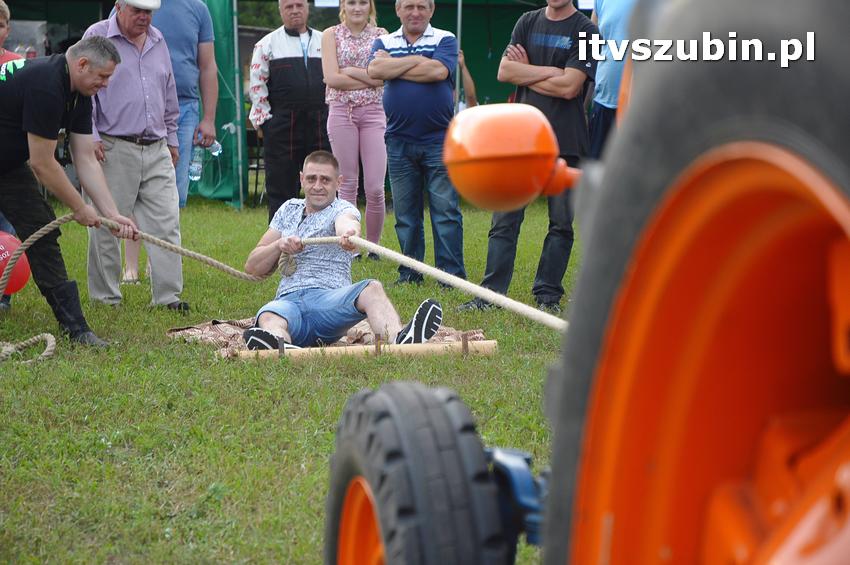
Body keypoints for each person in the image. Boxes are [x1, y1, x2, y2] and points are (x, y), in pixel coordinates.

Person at [459, 0, 597, 314]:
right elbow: (505, 71)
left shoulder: (589, 32)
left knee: (561, 224)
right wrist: (553, 71)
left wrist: (529, 72)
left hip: (567, 141)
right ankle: (491, 296)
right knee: (504, 220)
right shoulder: (527, 21)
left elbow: (570, 88)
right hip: (522, 139)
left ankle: (547, 297)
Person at [0, 36, 139, 343]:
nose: (105, 84)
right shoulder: (46, 84)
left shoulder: (80, 93)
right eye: (102, 77)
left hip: (7, 166)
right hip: (14, 162)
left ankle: (76, 328)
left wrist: (112, 214)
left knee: (43, 231)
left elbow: (85, 158)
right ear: (82, 64)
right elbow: (42, 163)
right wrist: (80, 207)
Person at [242, 150, 443, 351]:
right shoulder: (288, 209)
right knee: (268, 315)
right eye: (311, 179)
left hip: (329, 304)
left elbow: (347, 223)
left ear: (338, 183)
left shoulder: (342, 209)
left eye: (325, 180)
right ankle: (281, 345)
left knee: (372, 288)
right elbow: (252, 266)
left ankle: (400, 341)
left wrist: (349, 234)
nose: (318, 186)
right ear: (302, 179)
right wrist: (279, 245)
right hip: (288, 304)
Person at [84, 0, 188, 312]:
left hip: (156, 146)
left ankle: (168, 297)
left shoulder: (158, 39)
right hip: (112, 146)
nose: (144, 17)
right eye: (137, 10)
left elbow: (169, 90)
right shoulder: (97, 35)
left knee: (167, 223)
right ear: (118, 7)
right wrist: (89, 135)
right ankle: (106, 298)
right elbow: (81, 89)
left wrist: (172, 137)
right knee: (106, 223)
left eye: (149, 12)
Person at [367, 0, 466, 285]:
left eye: (422, 7)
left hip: (440, 140)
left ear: (431, 10)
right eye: (409, 6)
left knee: (445, 213)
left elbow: (438, 72)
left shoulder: (445, 38)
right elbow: (375, 72)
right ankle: (410, 273)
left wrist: (392, 65)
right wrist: (419, 60)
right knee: (406, 215)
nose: (415, 12)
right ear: (398, 9)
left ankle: (451, 276)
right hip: (398, 141)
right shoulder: (383, 40)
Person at [121, 0, 219, 284]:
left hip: (185, 107)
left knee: (171, 191)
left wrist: (209, 117)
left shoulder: (198, 8)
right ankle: (130, 267)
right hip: (139, 102)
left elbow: (208, 65)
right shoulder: (138, 3)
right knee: (135, 186)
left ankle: (158, 263)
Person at [249, 0, 329, 223]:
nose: (295, 10)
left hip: (321, 123)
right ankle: (279, 247)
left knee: (323, 185)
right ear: (280, 10)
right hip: (282, 125)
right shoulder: (267, 44)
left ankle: (324, 241)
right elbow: (257, 87)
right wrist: (266, 123)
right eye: (289, 6)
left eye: (299, 5)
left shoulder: (327, 41)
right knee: (281, 188)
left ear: (307, 7)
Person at [321, 0, 387, 260]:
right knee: (347, 183)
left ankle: (373, 246)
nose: (357, 7)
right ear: (343, 6)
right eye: (351, 2)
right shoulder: (330, 34)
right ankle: (351, 246)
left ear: (369, 6)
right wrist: (366, 76)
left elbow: (383, 78)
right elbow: (331, 78)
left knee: (375, 187)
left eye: (362, 2)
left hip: (375, 113)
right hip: (341, 113)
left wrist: (349, 71)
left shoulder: (381, 36)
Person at [588, 0, 637, 159]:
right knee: (597, 173)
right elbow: (591, 49)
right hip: (603, 103)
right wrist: (584, 101)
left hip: (640, 106)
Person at [0, 0, 23, 311]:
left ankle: (3, 295)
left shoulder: (18, 65)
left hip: (10, 163)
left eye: (0, 25)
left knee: (7, 229)